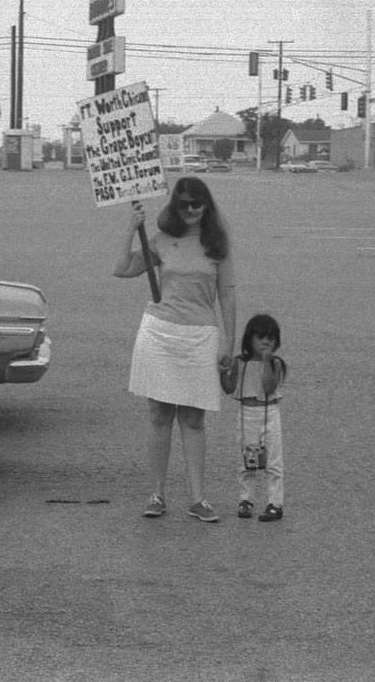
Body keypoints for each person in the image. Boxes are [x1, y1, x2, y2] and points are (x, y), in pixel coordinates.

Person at [115, 176, 236, 523]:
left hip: (200, 335)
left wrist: (229, 341)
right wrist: (130, 228)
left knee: (193, 419)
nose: (191, 210)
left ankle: (198, 499)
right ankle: (156, 494)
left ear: (207, 206)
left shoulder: (217, 245)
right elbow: (122, 269)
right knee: (159, 415)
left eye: (197, 203)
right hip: (160, 331)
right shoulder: (161, 240)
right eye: (183, 204)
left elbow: (227, 294)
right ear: (174, 206)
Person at [220, 314, 288, 522]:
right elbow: (229, 388)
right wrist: (223, 372)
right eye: (260, 337)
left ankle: (275, 502)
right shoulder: (240, 363)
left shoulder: (275, 364)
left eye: (270, 338)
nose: (265, 342)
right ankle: (246, 499)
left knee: (273, 461)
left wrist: (266, 361)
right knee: (246, 459)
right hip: (247, 414)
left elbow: (269, 387)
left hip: (269, 413)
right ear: (250, 339)